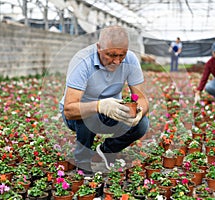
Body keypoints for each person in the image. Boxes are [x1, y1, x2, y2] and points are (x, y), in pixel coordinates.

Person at [59, 26, 149, 176]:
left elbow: (140, 98)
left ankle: (107, 150)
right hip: (80, 116)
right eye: (111, 55)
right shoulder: (83, 61)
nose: (117, 61)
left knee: (143, 124)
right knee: (89, 116)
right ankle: (83, 162)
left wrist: (139, 111)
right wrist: (100, 105)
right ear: (99, 47)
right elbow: (69, 109)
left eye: (122, 55)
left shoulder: (131, 60)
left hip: (112, 112)